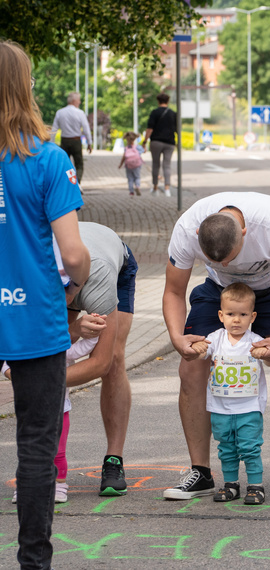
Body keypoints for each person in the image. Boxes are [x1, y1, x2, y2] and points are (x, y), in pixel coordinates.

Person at [162, 192, 270, 503]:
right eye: (216, 260)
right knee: (190, 365)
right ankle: (201, 472)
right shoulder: (187, 228)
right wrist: (176, 337)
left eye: (230, 258)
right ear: (198, 235)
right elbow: (173, 291)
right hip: (223, 293)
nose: (224, 264)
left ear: (245, 232)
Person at [0, 39, 91, 570]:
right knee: (36, 442)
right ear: (25, 87)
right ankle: (33, 562)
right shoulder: (48, 159)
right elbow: (75, 253)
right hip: (35, 311)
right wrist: (72, 292)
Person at [61, 222, 137, 498]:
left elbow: (100, 363)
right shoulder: (32, 273)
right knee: (52, 349)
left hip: (110, 265)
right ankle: (49, 462)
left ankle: (114, 460)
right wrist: (73, 330)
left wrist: (39, 379)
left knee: (114, 358)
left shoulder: (100, 275)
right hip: (68, 273)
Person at [190, 283, 270, 505]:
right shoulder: (216, 338)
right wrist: (197, 349)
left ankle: (255, 486)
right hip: (220, 408)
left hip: (249, 407)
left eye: (243, 314)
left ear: (252, 316)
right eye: (230, 314)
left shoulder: (254, 341)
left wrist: (265, 353)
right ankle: (231, 484)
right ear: (221, 315)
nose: (236, 320)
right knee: (226, 448)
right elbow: (201, 355)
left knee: (250, 448)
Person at [4, 335, 99, 504]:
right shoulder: (25, 346)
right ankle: (26, 485)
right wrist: (9, 371)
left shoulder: (59, 348)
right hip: (30, 409)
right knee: (29, 448)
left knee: (58, 451)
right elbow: (6, 360)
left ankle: (59, 484)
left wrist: (96, 329)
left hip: (59, 409)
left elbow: (83, 347)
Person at [50, 91, 92, 186]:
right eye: (79, 100)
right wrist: (89, 143)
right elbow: (86, 129)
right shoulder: (80, 113)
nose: (80, 102)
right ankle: (77, 183)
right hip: (76, 141)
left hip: (64, 141)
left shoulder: (60, 112)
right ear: (74, 101)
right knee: (79, 164)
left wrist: (51, 143)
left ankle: (66, 184)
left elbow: (54, 129)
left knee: (64, 164)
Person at [141, 93, 176, 197]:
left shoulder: (155, 113)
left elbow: (149, 129)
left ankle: (155, 187)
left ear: (158, 101)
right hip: (170, 142)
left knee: (156, 165)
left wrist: (144, 141)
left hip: (156, 142)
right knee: (167, 165)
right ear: (168, 101)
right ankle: (167, 189)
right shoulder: (173, 114)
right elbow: (177, 129)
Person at [118, 131, 143, 197]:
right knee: (137, 177)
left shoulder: (126, 148)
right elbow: (143, 151)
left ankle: (131, 191)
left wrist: (120, 165)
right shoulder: (137, 147)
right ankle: (137, 186)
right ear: (134, 139)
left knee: (130, 179)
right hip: (137, 165)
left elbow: (123, 157)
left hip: (128, 166)